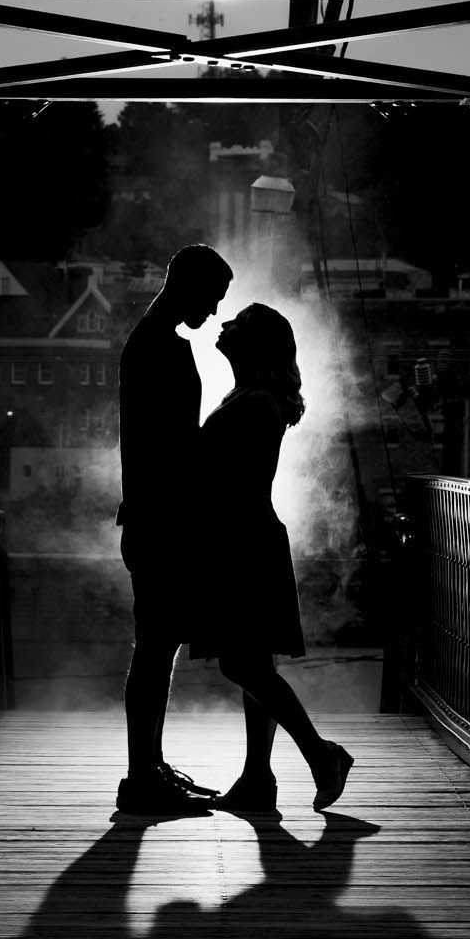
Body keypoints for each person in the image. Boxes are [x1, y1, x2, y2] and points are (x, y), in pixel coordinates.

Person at [190, 302, 353, 814]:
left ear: (255, 343)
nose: (224, 324)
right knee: (253, 661)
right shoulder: (251, 397)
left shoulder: (256, 403)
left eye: (237, 322)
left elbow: (228, 479)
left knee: (243, 663)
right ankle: (258, 778)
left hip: (243, 541)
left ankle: (320, 755)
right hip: (244, 537)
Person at [116, 243, 234, 816]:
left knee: (157, 645)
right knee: (156, 646)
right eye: (212, 298)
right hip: (162, 519)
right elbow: (170, 446)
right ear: (188, 285)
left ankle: (149, 766)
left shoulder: (152, 340)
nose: (214, 312)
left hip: (153, 514)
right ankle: (142, 777)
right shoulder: (159, 346)